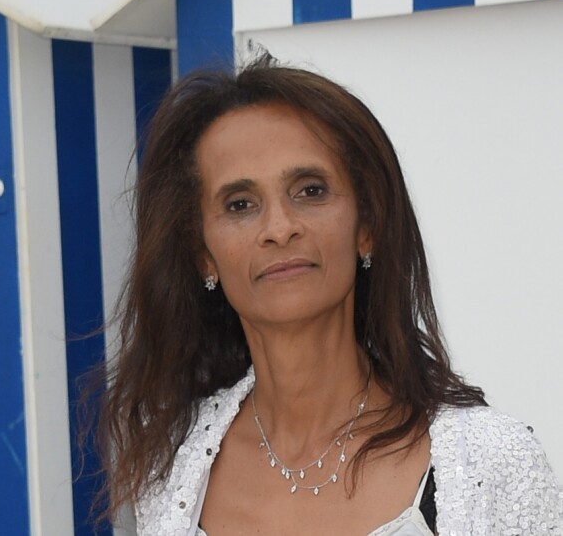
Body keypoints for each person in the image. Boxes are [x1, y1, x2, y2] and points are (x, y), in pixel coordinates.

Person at [97, 55, 562, 535]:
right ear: (203, 255)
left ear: (367, 226)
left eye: (310, 191)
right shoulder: (171, 469)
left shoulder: (490, 462)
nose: (279, 228)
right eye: (240, 204)